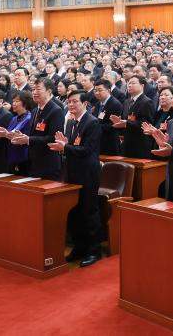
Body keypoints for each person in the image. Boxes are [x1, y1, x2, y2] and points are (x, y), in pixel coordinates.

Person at [50, 90, 103, 267]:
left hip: (88, 173)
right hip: (72, 172)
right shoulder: (71, 122)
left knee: (89, 211)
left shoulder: (92, 122)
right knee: (74, 211)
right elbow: (73, 147)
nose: (71, 105)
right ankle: (79, 247)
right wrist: (65, 146)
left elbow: (87, 150)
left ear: (85, 104)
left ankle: (94, 251)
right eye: (69, 102)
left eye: (75, 102)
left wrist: (65, 147)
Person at [11, 78, 64, 180]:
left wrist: (28, 139)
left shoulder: (56, 111)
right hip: (33, 161)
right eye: (33, 89)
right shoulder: (35, 110)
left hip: (48, 163)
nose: (34, 92)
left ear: (48, 91)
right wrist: (21, 137)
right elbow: (33, 134)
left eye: (38, 89)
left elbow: (53, 139)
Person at [113, 75, 157, 158]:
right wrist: (119, 123)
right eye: (128, 83)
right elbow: (125, 119)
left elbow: (146, 123)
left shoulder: (147, 102)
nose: (129, 85)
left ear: (142, 86)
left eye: (133, 83)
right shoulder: (126, 102)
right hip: (127, 144)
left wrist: (126, 123)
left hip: (140, 145)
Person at [93, 79, 125, 155]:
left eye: (100, 90)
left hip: (110, 142)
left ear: (108, 90)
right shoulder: (97, 104)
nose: (97, 93)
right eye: (95, 90)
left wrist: (96, 127)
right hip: (98, 141)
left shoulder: (115, 104)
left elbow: (114, 125)